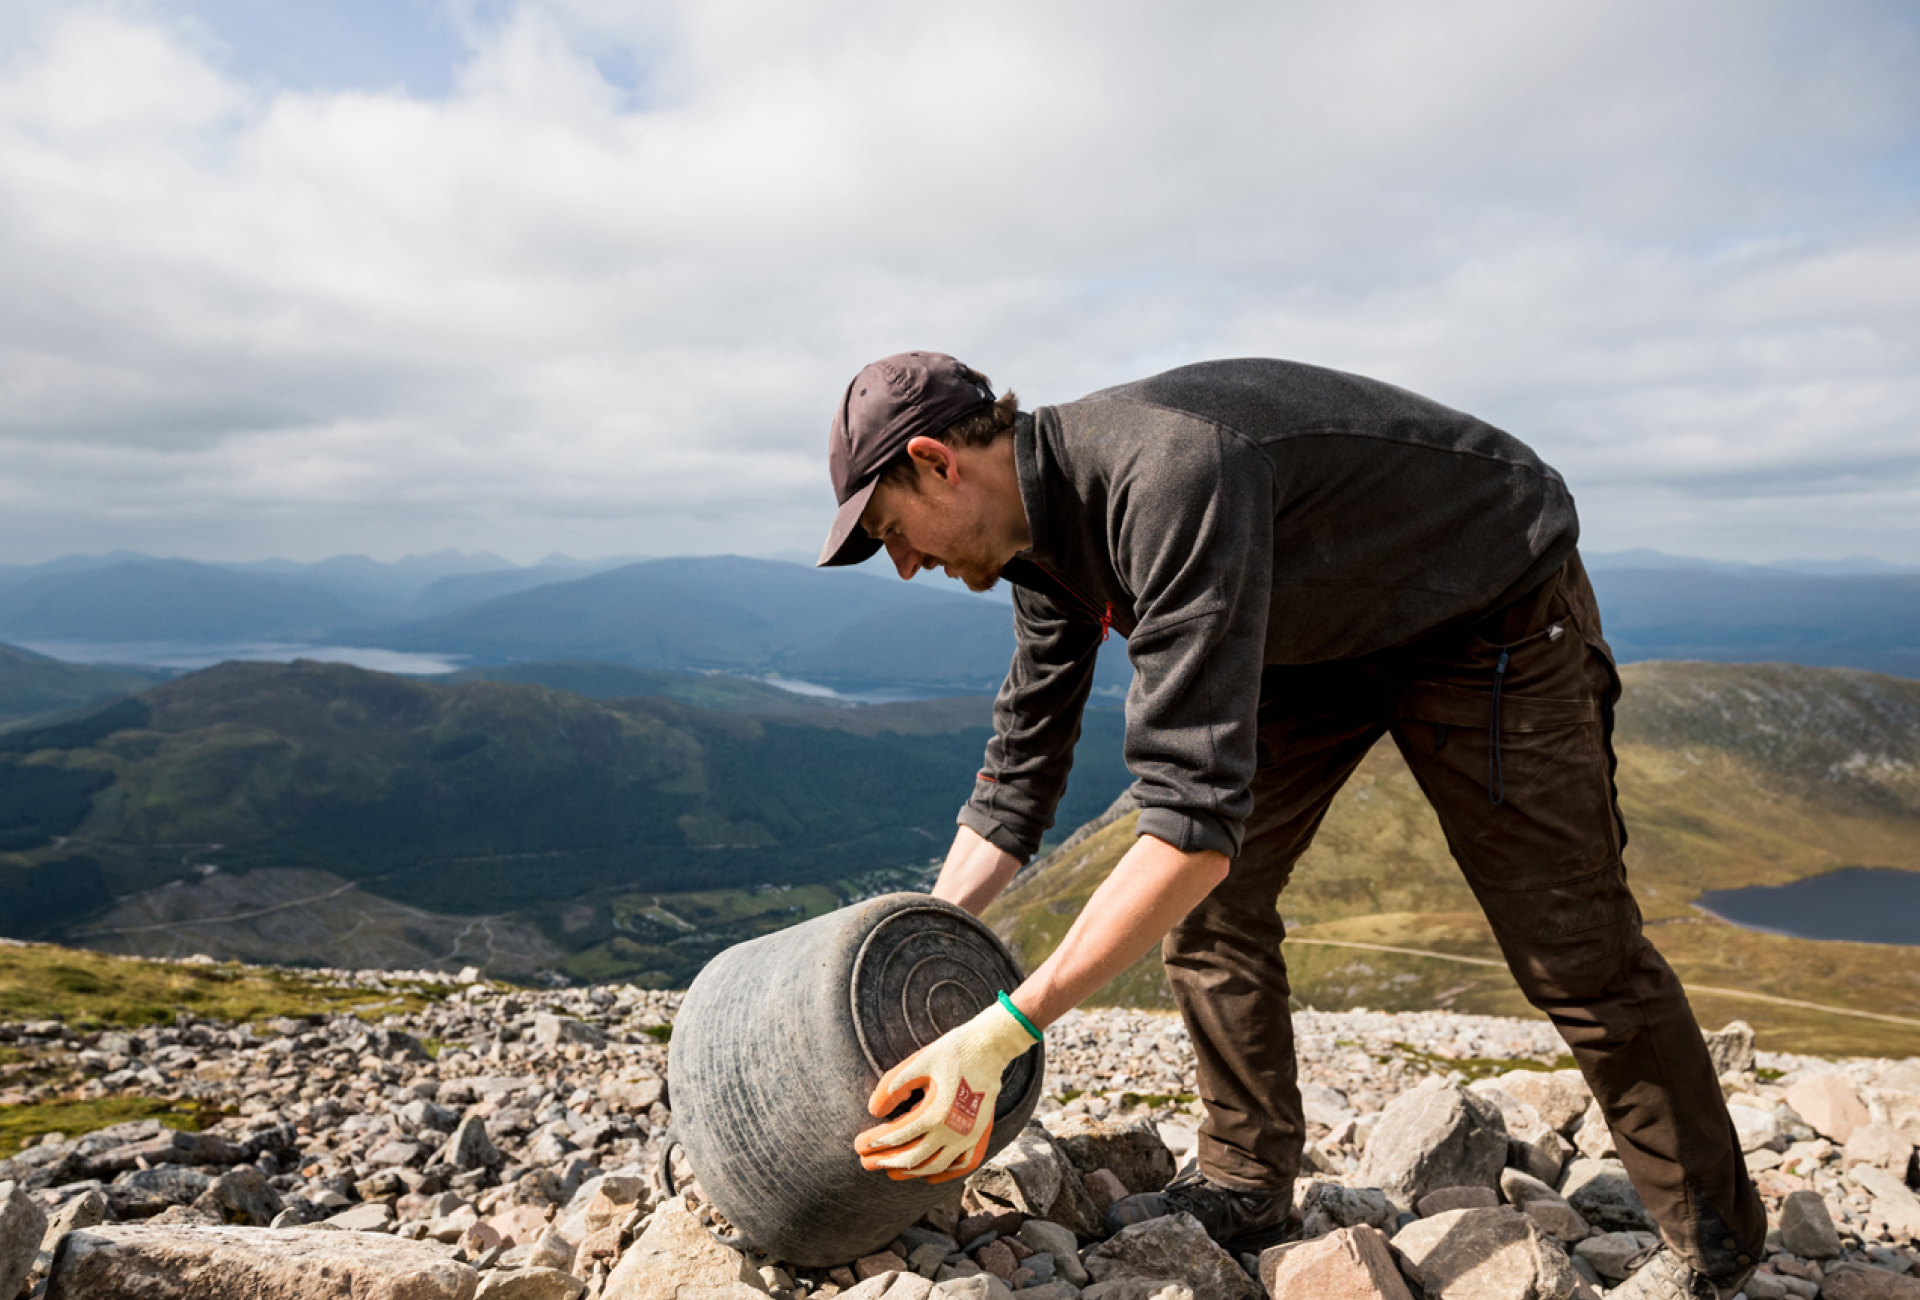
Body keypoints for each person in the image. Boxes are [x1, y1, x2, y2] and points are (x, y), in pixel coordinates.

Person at [817, 351, 1763, 1299]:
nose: (903, 567)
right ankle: (1245, 1181)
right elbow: (1020, 778)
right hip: (1312, 643)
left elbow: (1190, 825)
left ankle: (1715, 1247)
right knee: (1212, 914)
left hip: (1487, 611)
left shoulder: (1171, 474)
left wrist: (1001, 1032)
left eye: (893, 532)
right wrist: (908, 951)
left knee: (1577, 953)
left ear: (940, 461)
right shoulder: (1038, 552)